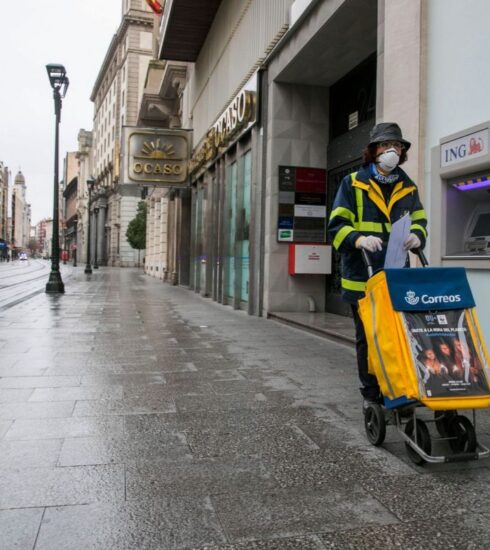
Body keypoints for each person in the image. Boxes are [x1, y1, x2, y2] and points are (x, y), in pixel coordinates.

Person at [328, 122, 428, 410]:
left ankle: (397, 385)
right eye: (385, 146)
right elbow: (337, 225)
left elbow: (420, 219)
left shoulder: (408, 187)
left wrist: (417, 236)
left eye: (396, 146)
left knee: (399, 334)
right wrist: (358, 239)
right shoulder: (352, 183)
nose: (391, 151)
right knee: (369, 338)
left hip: (397, 275)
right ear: (373, 151)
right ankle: (371, 393)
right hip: (363, 277)